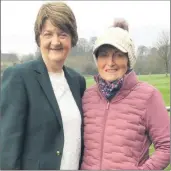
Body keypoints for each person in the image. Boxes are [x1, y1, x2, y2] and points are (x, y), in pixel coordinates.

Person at [0, 2, 86, 170]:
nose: (55, 42)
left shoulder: (78, 82)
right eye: (48, 34)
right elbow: (7, 150)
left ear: (72, 38)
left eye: (62, 34)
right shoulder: (19, 77)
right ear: (39, 38)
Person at [81, 19, 170, 170]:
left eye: (118, 55)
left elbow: (166, 146)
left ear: (128, 60)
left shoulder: (148, 96)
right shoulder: (87, 96)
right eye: (103, 55)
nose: (110, 62)